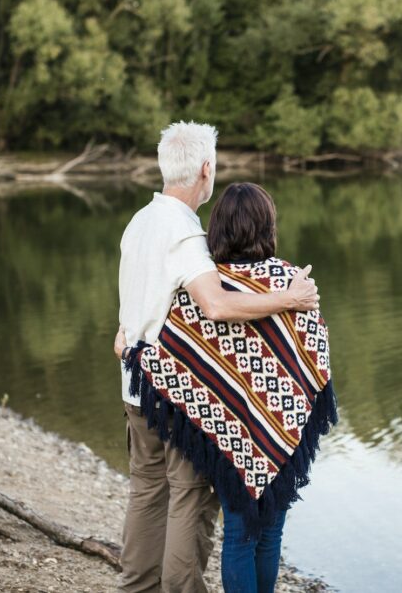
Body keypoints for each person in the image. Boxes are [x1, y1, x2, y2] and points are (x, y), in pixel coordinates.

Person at [116, 123, 319, 593]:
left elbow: (133, 302)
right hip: (173, 396)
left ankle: (135, 587)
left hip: (134, 386)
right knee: (189, 499)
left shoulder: (139, 222)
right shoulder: (186, 234)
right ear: (206, 170)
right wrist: (289, 299)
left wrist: (125, 336)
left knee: (147, 493)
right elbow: (218, 306)